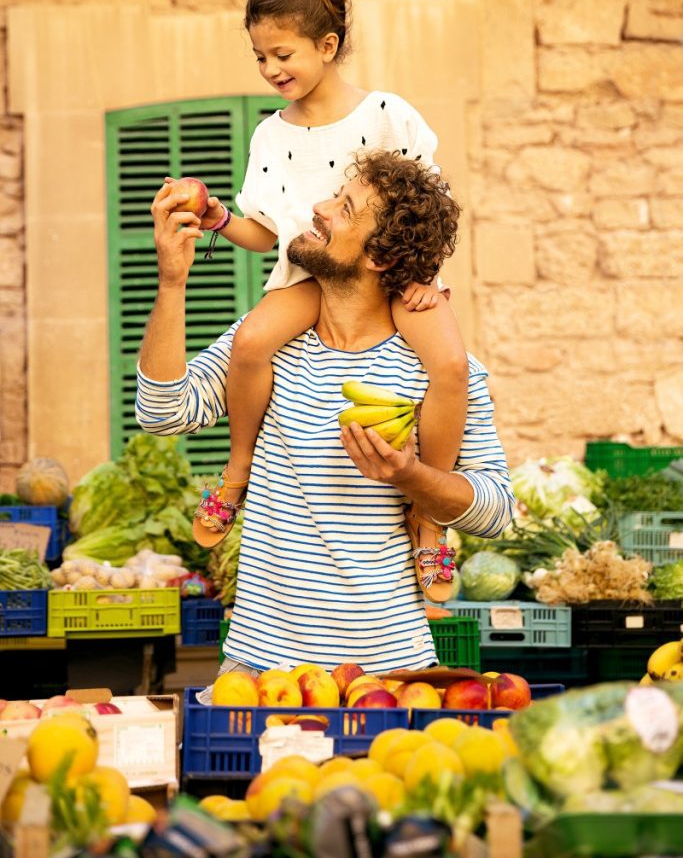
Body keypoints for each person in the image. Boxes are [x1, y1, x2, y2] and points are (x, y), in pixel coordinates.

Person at [137, 149, 514, 675]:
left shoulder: (439, 368)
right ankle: (233, 476)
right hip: (259, 670)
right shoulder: (269, 344)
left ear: (379, 257)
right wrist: (172, 282)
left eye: (344, 207)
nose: (317, 207)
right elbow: (163, 413)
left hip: (392, 672)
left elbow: (498, 509)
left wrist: (415, 478)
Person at [180, 0, 468, 597]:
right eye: (259, 58)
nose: (270, 70)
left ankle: (428, 524)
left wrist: (427, 277)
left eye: (281, 53)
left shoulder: (386, 114)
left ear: (327, 46)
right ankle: (238, 471)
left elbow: (431, 200)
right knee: (250, 345)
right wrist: (218, 217)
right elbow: (266, 232)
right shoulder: (269, 136)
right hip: (310, 279)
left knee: (450, 370)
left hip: (398, 278)